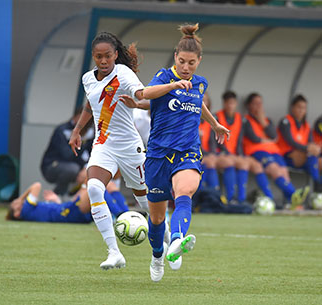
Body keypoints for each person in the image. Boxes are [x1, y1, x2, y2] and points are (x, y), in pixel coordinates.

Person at [119, 23, 230, 282]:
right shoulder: (163, 77)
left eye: (192, 63)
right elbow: (148, 93)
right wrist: (166, 89)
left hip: (187, 152)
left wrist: (214, 124)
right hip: (158, 155)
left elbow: (197, 102)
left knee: (185, 192)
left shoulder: (200, 84)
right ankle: (158, 255)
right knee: (156, 219)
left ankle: (178, 241)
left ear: (199, 61)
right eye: (182, 61)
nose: (186, 67)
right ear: (175, 57)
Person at [68, 32, 150, 270]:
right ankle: (114, 252)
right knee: (93, 188)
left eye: (107, 56)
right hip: (103, 145)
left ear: (115, 55)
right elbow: (90, 105)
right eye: (98, 57)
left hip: (129, 147)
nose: (103, 61)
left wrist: (140, 101)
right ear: (93, 57)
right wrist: (77, 131)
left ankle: (165, 239)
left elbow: (143, 97)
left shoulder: (124, 74)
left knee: (145, 201)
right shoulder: (87, 79)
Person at [243, 93, 309, 208]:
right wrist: (269, 140)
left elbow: (274, 135)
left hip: (275, 151)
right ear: (249, 105)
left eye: (260, 103)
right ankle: (293, 196)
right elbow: (254, 138)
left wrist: (262, 121)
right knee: (274, 169)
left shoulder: (267, 120)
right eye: (255, 103)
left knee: (284, 173)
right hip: (258, 151)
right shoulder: (246, 120)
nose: (258, 106)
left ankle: (291, 202)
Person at [215, 90, 273, 202]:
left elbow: (239, 139)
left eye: (233, 103)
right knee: (231, 162)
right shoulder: (217, 117)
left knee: (254, 165)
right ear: (224, 104)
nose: (231, 106)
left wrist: (240, 154)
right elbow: (215, 139)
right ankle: (231, 198)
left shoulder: (240, 118)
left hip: (235, 154)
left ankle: (268, 199)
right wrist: (226, 153)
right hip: (221, 153)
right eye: (228, 103)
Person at [6, 180, 128, 223]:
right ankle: (121, 215)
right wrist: (21, 197)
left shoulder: (31, 210)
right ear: (17, 213)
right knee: (96, 186)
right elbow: (36, 185)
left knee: (109, 185)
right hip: (69, 213)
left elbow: (53, 212)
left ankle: (127, 214)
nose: (17, 202)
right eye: (15, 204)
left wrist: (56, 201)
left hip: (68, 209)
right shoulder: (25, 211)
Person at [41, 108, 94, 195]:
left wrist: (86, 167)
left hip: (78, 166)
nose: (85, 123)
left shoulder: (90, 133)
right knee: (72, 169)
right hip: (52, 165)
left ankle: (76, 198)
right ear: (76, 117)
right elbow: (67, 155)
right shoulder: (62, 130)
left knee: (91, 172)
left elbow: (91, 154)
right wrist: (82, 142)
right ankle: (58, 195)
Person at [277, 95, 321, 192]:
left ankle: (318, 189)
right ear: (292, 108)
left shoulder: (306, 125)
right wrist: (308, 149)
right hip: (286, 156)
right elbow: (291, 141)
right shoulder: (285, 121)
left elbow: (310, 143)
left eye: (304, 108)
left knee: (316, 159)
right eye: (299, 107)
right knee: (311, 156)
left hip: (304, 157)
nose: (301, 110)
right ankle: (318, 187)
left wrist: (314, 149)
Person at [198, 93, 236, 201]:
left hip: (209, 155)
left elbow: (214, 142)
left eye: (205, 100)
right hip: (195, 154)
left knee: (228, 161)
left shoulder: (211, 120)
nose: (203, 103)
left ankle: (231, 198)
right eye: (201, 100)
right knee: (210, 162)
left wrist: (219, 153)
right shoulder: (190, 118)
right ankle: (211, 197)